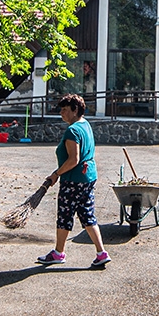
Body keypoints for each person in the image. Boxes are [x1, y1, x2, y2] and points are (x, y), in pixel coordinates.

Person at [37, 94, 110, 268]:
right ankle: (101, 253)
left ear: (75, 110)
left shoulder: (73, 130)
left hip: (73, 180)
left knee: (65, 216)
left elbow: (73, 159)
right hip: (87, 177)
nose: (61, 113)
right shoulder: (86, 125)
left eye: (64, 109)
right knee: (87, 215)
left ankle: (58, 253)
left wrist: (56, 174)